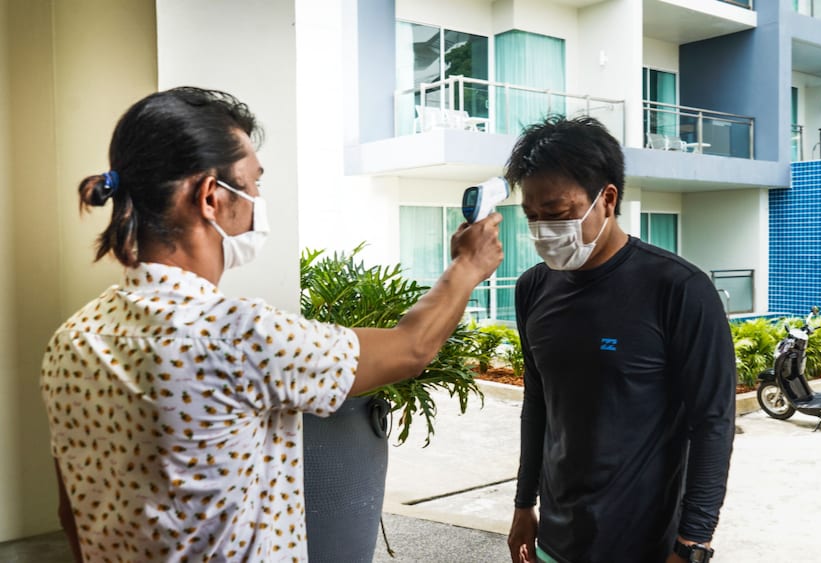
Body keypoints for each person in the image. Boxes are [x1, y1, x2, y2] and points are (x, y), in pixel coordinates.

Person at [40, 86, 503, 562]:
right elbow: (411, 348)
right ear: (210, 196)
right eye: (253, 183)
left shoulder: (72, 340)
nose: (258, 199)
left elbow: (72, 514)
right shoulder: (240, 338)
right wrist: (468, 266)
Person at [504, 116, 735, 563]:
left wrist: (693, 544)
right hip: (556, 537)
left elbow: (713, 422)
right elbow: (538, 403)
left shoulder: (679, 289)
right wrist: (523, 503)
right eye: (532, 217)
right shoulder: (532, 288)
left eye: (557, 214)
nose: (544, 229)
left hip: (645, 545)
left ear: (607, 199)